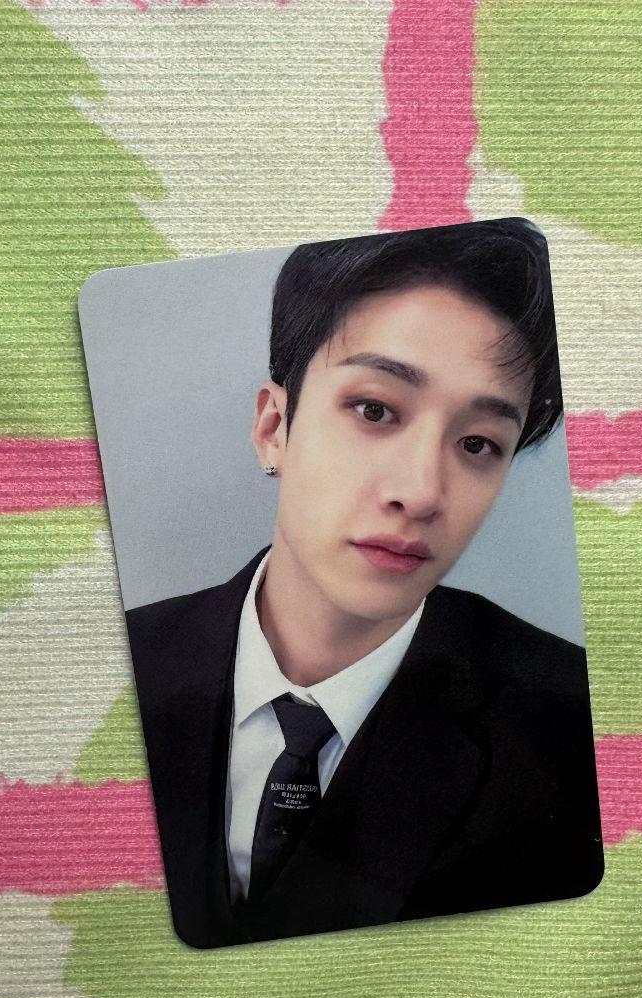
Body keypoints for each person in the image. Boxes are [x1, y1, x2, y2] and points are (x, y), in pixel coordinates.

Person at [126, 219, 604, 949]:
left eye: (478, 443)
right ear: (274, 428)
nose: (421, 493)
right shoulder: (122, 664)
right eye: (374, 409)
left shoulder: (572, 729)